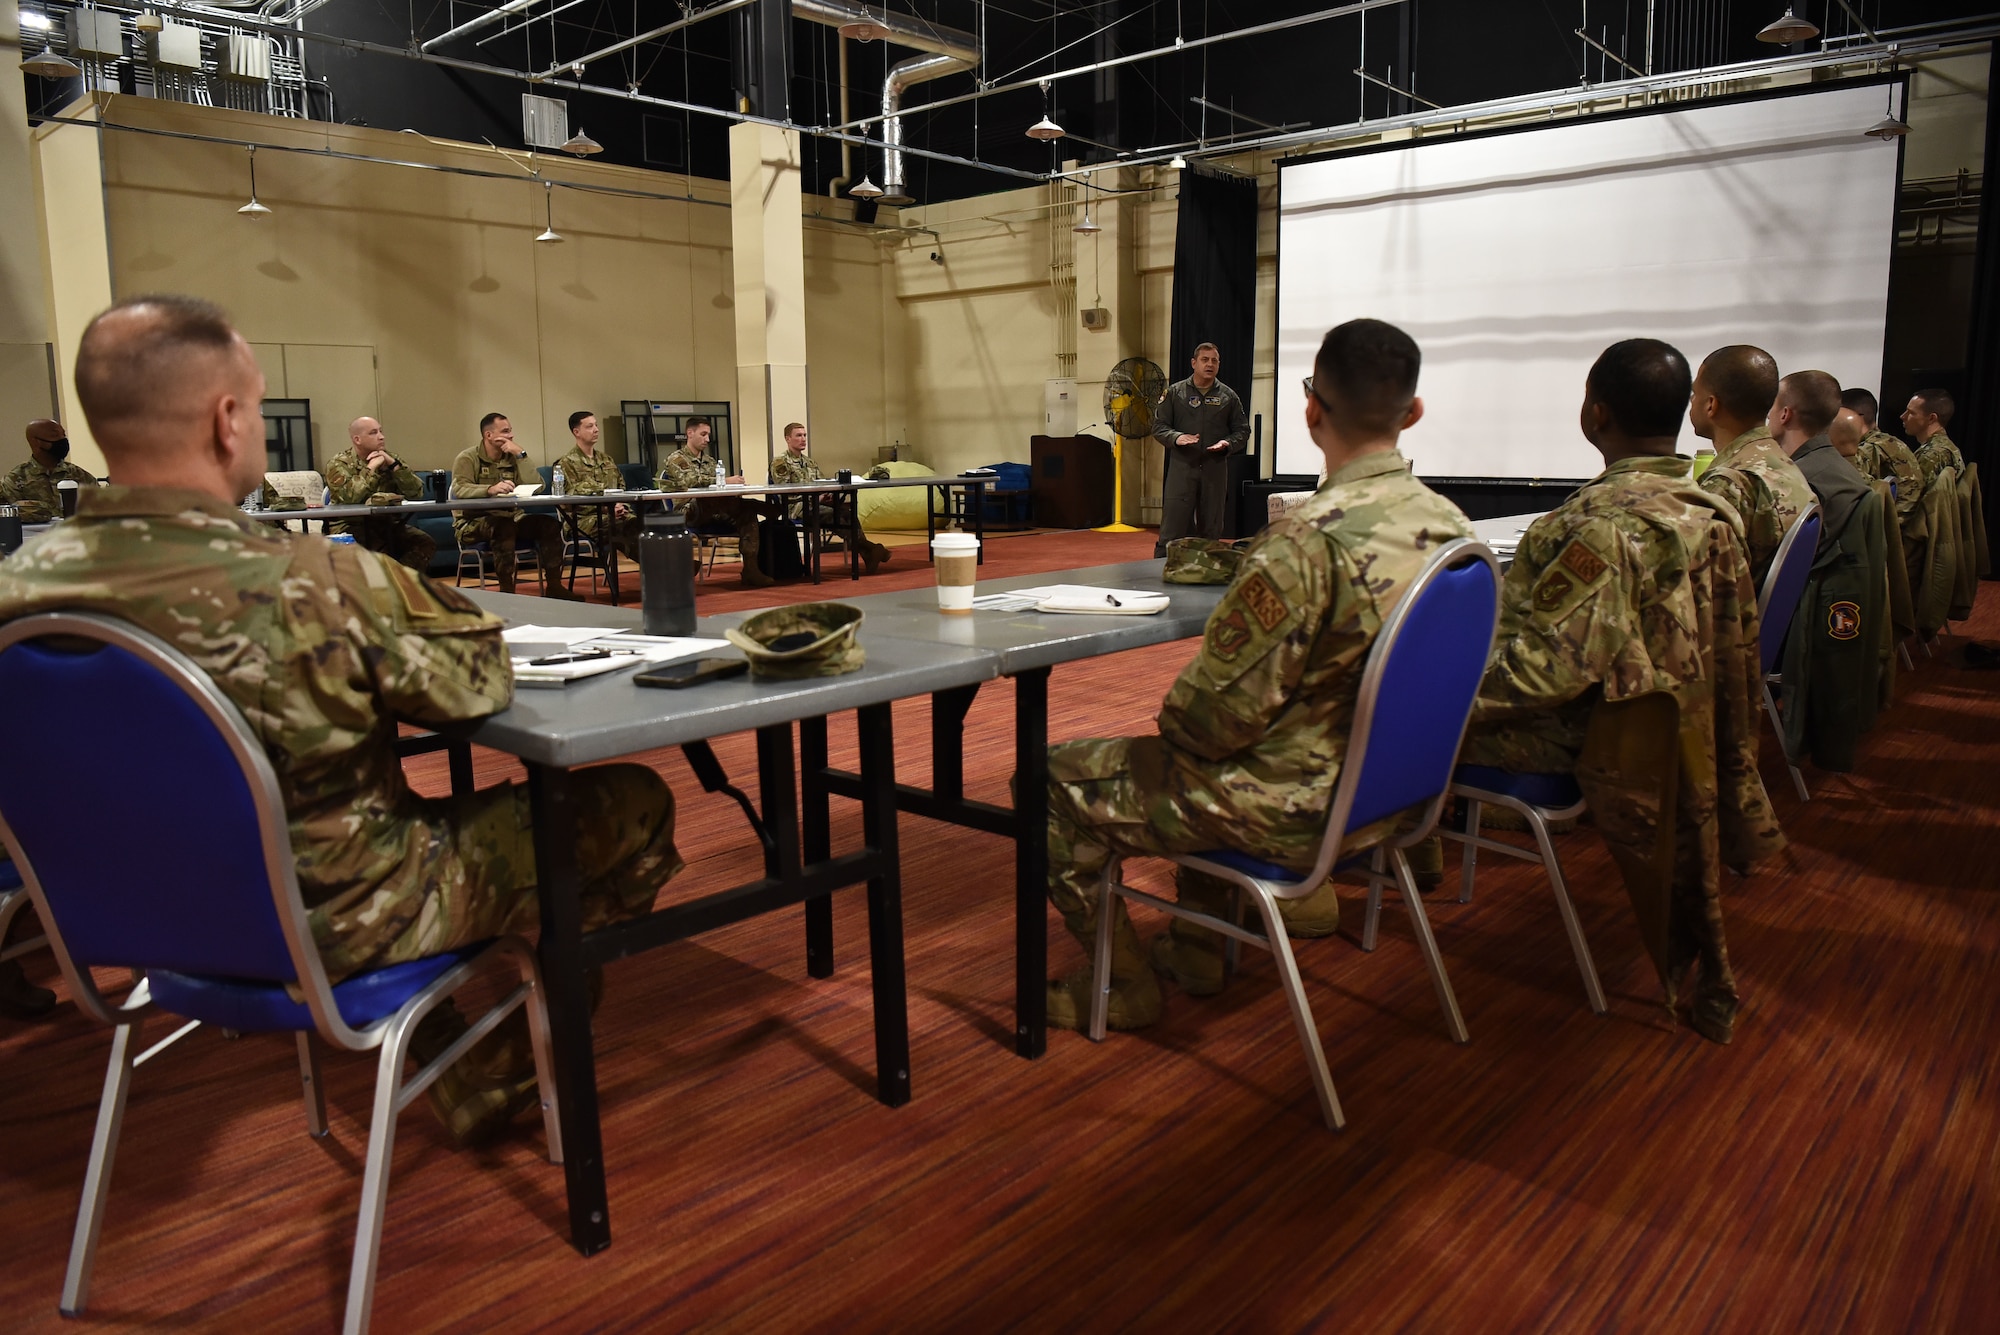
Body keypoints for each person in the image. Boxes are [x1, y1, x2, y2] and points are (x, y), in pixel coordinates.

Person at [0, 295, 682, 1143]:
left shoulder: (19, 589)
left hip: (123, 915)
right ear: (226, 421)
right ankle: (495, 1064)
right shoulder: (316, 581)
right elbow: (476, 688)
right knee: (633, 801)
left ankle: (444, 1048)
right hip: (338, 913)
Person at [1044, 318, 1473, 1032]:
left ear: (1310, 412)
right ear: (1414, 413)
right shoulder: (1453, 529)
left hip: (1298, 808)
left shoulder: (1302, 544)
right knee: (1232, 745)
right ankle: (1198, 945)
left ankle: (1121, 987)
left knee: (1055, 779)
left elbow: (1203, 721)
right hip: (1397, 793)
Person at [1460, 338, 1782, 1044]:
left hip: (1602, 737)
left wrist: (1436, 700)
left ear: (1595, 413)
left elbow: (1546, 674)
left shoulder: (1592, 526)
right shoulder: (1707, 509)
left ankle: (1383, 863)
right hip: (1673, 728)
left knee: (1388, 722)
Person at [1689, 344, 1815, 583]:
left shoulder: (1729, 485)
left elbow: (1697, 586)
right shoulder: (1780, 462)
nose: (1692, 401)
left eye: (1695, 393)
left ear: (1711, 405)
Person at [451, 412, 578, 599]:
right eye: (505, 431)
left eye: (510, 431)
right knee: (503, 526)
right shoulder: (468, 458)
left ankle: (554, 585)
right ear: (489, 435)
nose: (511, 436)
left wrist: (521, 455)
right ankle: (507, 591)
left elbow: (538, 485)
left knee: (548, 524)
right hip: (473, 522)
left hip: (511, 517)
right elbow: (460, 489)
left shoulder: (511, 457)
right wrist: (490, 489)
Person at [1151, 342, 1250, 556]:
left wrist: (1228, 444)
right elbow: (1159, 427)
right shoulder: (1175, 393)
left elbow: (1242, 431)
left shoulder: (1228, 397)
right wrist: (1177, 437)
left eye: (1214, 360)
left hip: (1214, 469)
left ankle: (1208, 569)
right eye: (1205, 360)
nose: (1210, 364)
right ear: (1193, 363)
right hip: (1182, 468)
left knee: (1211, 527)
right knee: (1173, 525)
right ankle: (1161, 567)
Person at [658, 416, 778, 588]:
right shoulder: (675, 459)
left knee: (747, 515)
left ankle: (751, 570)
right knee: (706, 501)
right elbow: (691, 481)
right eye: (703, 434)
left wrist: (733, 487)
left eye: (708, 435)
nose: (707, 439)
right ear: (690, 433)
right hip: (688, 511)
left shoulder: (710, 461)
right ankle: (755, 504)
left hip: (716, 510)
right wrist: (725, 481)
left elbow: (719, 487)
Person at [769, 422, 892, 573]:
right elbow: (785, 493)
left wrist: (826, 496)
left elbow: (820, 484)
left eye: (804, 435)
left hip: (816, 504)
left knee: (847, 513)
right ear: (788, 439)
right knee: (835, 516)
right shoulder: (780, 462)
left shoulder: (810, 462)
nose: (803, 439)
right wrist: (814, 499)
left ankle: (869, 553)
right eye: (798, 435)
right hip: (796, 508)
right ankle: (871, 549)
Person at [319, 416, 436, 572]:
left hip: (385, 524)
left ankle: (400, 583)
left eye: (381, 431)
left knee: (423, 542)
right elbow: (351, 497)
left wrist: (394, 466)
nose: (381, 436)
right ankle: (385, 586)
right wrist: (371, 469)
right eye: (373, 433)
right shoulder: (338, 464)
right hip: (350, 525)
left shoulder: (389, 458)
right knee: (381, 551)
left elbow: (416, 493)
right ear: (357, 439)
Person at [1771, 371, 1870, 542]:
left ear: (1784, 415)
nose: (1768, 414)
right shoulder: (1839, 467)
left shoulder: (1798, 481)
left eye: (1772, 406)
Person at [552, 410, 639, 563]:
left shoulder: (606, 459)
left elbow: (621, 487)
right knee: (626, 528)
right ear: (576, 432)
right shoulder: (566, 463)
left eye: (596, 425)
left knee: (642, 525)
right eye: (590, 426)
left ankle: (664, 567)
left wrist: (620, 504)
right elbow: (567, 501)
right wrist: (607, 508)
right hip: (584, 521)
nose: (596, 429)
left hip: (614, 516)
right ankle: (663, 569)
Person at [1841, 387, 1923, 520]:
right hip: (1901, 522)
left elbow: (1849, 487)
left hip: (1896, 529)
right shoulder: (1887, 440)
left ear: (1855, 418)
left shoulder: (1871, 448)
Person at [1, 418, 98, 522]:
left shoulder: (80, 475)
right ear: (36, 441)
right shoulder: (16, 479)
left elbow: (101, 509)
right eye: (55, 435)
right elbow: (12, 518)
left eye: (63, 435)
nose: (62, 439)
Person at [1901, 388, 1964, 493]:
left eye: (1911, 413)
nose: (1903, 416)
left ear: (1931, 418)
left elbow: (1912, 502)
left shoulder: (1932, 455)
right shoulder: (1945, 447)